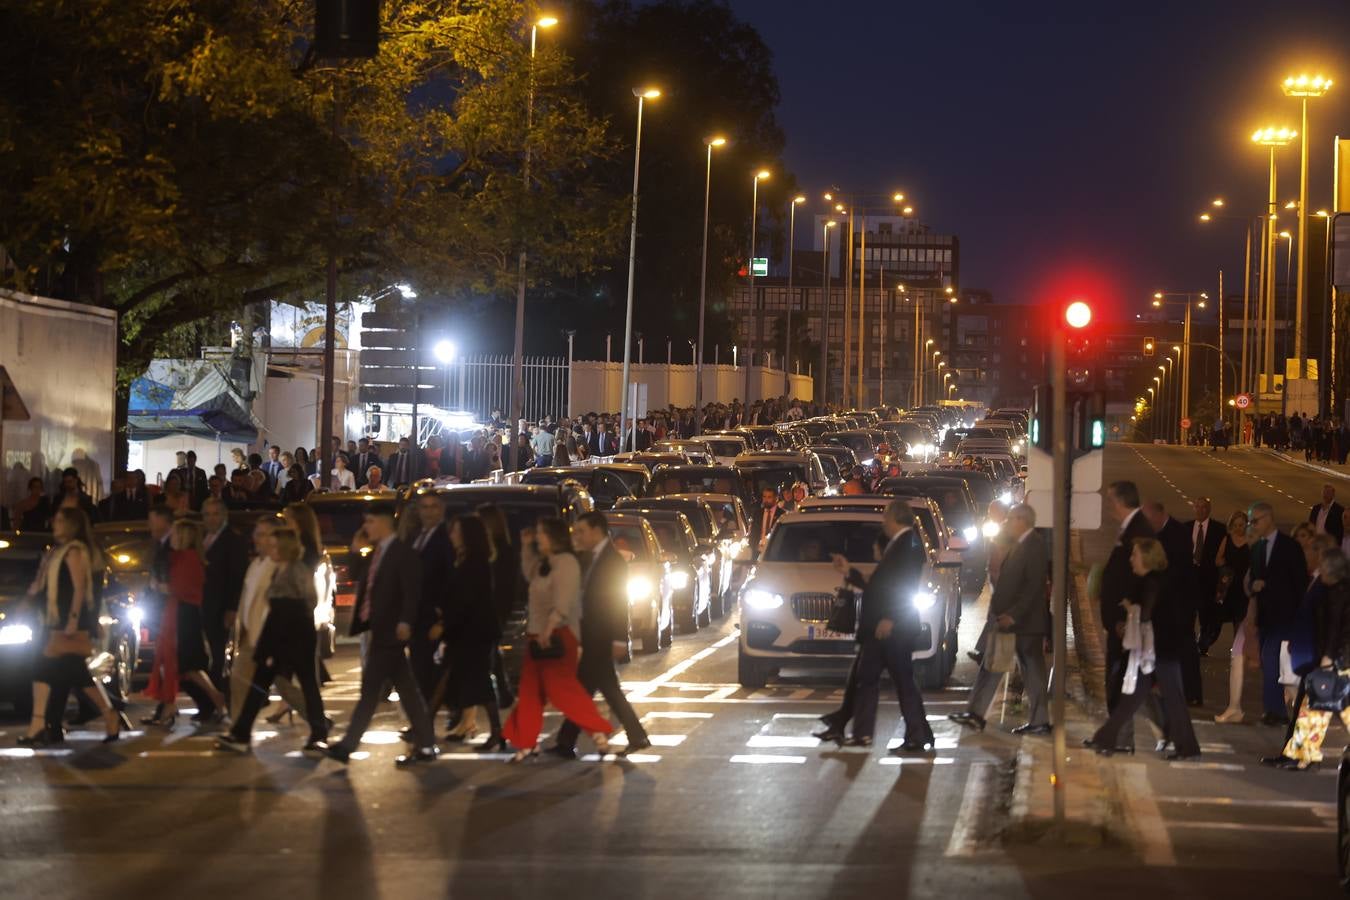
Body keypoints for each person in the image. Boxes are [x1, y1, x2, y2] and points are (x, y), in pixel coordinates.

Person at [325, 508, 439, 766]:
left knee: (370, 692)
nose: (366, 527)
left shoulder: (401, 553)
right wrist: (355, 549)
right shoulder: (377, 552)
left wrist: (405, 621)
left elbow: (412, 591)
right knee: (408, 691)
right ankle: (426, 744)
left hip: (390, 632)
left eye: (370, 521)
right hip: (380, 630)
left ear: (384, 524)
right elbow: (357, 578)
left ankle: (347, 746)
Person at [501, 518, 613, 763]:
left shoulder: (567, 562)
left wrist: (548, 629)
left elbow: (563, 602)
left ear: (553, 536)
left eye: (541, 534)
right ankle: (527, 743)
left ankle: (598, 734)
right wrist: (525, 546)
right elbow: (529, 574)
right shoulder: (546, 562)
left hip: (559, 636)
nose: (538, 538)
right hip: (537, 636)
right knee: (530, 693)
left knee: (563, 692)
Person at [216, 527, 329, 755]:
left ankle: (318, 732)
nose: (271, 549)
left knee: (303, 686)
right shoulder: (283, 570)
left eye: (276, 546)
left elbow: (290, 611)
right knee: (261, 686)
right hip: (284, 637)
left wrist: (269, 646)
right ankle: (242, 732)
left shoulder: (293, 572)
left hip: (292, 639)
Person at [16, 507, 125, 745]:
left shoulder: (75, 551)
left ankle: (106, 713)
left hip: (67, 623)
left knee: (59, 672)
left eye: (59, 521)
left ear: (71, 525)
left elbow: (78, 588)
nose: (54, 524)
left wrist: (73, 620)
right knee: (60, 673)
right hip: (55, 621)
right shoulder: (57, 551)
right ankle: (45, 725)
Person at [1086, 537, 1201, 760]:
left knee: (1170, 700)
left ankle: (1188, 749)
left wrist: (1130, 610)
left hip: (1159, 652)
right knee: (1131, 698)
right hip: (1153, 651)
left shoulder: (1153, 583)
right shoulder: (1154, 580)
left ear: (1147, 558)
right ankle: (1106, 738)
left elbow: (1146, 617)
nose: (1131, 560)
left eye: (1135, 555)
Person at [550, 512, 651, 759]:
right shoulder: (591, 557)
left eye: (582, 531)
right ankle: (634, 736)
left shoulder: (612, 561)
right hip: (591, 633)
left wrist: (619, 638)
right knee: (596, 687)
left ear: (596, 530)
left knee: (597, 688)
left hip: (601, 635)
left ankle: (568, 741)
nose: (578, 536)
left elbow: (617, 602)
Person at [839, 500, 934, 751]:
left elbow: (904, 587)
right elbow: (880, 587)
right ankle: (869, 733)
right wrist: (850, 572)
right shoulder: (900, 544)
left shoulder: (908, 544)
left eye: (885, 517)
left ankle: (916, 735)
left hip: (892, 629)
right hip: (883, 628)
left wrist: (891, 617)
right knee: (872, 678)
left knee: (898, 681)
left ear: (895, 519)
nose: (883, 522)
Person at [950, 503, 1051, 734]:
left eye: (1011, 519)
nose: (1007, 523)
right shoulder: (1022, 543)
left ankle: (1040, 721)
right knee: (992, 666)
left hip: (1023, 624)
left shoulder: (1033, 545)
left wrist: (1013, 615)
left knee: (1031, 672)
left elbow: (1033, 587)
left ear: (1021, 521)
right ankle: (975, 714)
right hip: (1010, 621)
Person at [1264, 547, 1350, 769]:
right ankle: (1300, 754)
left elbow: (1335, 630)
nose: (1319, 570)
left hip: (1338, 660)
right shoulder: (1336, 591)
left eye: (1323, 567)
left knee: (1315, 709)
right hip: (1338, 659)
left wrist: (1328, 658)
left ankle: (1302, 754)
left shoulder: (1338, 594)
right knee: (1317, 708)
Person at [143, 519, 227, 728]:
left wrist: (159, 585)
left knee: (188, 665)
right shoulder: (180, 557)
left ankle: (216, 698)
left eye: (175, 534)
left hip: (184, 615)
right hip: (176, 612)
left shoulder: (188, 558)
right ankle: (169, 708)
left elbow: (179, 589)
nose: (171, 537)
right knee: (174, 663)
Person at [1098, 481, 1155, 751]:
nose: (1109, 507)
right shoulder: (1130, 528)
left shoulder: (1138, 530)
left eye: (1111, 501)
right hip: (1120, 620)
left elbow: (1141, 577)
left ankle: (1118, 739)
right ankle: (1115, 738)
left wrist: (1127, 614)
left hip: (1126, 621)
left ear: (1121, 501)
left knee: (1123, 682)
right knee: (1120, 682)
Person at [442, 516, 506, 750]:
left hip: (475, 631)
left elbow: (468, 600)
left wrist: (447, 622)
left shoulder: (475, 562)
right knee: (470, 679)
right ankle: (472, 725)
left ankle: (496, 732)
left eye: (456, 530)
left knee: (478, 680)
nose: (452, 535)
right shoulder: (468, 559)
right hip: (471, 630)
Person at [1247, 501, 1308, 726]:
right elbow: (1254, 577)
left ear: (1268, 518)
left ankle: (1276, 711)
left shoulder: (1289, 546)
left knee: (1271, 658)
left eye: (1255, 520)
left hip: (1285, 615)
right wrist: (1254, 585)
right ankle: (1275, 708)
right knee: (1269, 662)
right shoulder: (1257, 548)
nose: (1252, 525)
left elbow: (1299, 581)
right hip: (1266, 616)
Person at [1142, 501, 1203, 706]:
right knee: (1161, 646)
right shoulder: (1159, 532)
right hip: (1165, 603)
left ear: (1159, 516)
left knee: (1184, 647)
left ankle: (1191, 692)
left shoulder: (1178, 533)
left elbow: (1175, 571)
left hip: (1179, 603)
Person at [405, 491, 452, 712]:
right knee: (417, 669)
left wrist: (442, 620)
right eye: (425, 507)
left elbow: (449, 580)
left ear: (441, 509)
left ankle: (424, 723)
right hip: (416, 615)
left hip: (434, 616)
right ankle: (421, 720)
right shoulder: (417, 536)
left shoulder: (446, 539)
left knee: (429, 671)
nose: (429, 511)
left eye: (434, 506)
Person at [201, 498, 247, 698]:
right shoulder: (202, 538)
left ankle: (218, 693)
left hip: (220, 605)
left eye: (215, 514)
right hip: (202, 603)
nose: (211, 518)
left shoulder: (233, 540)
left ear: (223, 516)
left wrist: (231, 607)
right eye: (208, 514)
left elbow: (237, 576)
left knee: (218, 652)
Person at [477, 504, 520, 710]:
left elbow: (505, 586)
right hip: (489, 608)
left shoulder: (501, 549)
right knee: (491, 655)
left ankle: (500, 695)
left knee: (487, 655)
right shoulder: (487, 547)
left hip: (493, 609)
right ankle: (503, 693)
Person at [1214, 510, 1255, 722]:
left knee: (1241, 622)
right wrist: (1224, 568)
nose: (1239, 527)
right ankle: (1237, 649)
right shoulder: (1227, 540)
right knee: (1226, 619)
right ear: (1231, 526)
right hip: (1230, 588)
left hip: (1244, 591)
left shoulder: (1250, 542)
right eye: (1236, 524)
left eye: (1242, 524)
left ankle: (1240, 650)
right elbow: (1217, 559)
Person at [1189, 497, 1229, 656]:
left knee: (1207, 615)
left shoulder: (1219, 529)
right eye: (1197, 507)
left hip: (1208, 579)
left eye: (1204, 507)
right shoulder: (1186, 527)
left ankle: (1203, 644)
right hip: (1190, 578)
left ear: (1209, 509)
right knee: (1189, 614)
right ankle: (1190, 644)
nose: (1200, 510)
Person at [752, 487, 783, 553]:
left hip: (774, 551)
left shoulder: (782, 514)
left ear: (776, 498)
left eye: (769, 497)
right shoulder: (757, 513)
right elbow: (753, 532)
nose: (766, 500)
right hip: (758, 550)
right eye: (764, 497)